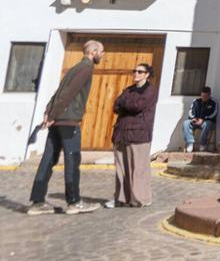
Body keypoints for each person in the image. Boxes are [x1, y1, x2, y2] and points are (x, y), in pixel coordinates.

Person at [27, 40, 105, 215]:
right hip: (68, 122)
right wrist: (52, 114)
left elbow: (59, 91)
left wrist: (49, 113)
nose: (103, 55)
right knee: (72, 160)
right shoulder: (85, 68)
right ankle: (74, 201)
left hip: (57, 120)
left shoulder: (74, 68)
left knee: (48, 159)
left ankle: (37, 202)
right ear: (93, 52)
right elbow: (68, 93)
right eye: (101, 52)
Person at [108, 62, 157, 208]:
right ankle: (121, 198)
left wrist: (124, 103)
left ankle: (140, 198)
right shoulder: (129, 90)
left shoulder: (150, 91)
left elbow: (137, 106)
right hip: (122, 132)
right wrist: (125, 103)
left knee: (138, 168)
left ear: (147, 75)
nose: (136, 73)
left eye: (140, 71)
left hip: (139, 134)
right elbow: (116, 106)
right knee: (121, 168)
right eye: (134, 71)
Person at [183, 86, 219, 152]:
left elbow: (214, 113)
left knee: (207, 124)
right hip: (195, 120)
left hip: (206, 121)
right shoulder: (196, 101)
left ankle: (203, 144)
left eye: (205, 96)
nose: (203, 98)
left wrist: (203, 119)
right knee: (186, 123)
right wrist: (194, 118)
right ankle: (190, 143)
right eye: (202, 96)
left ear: (209, 95)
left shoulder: (213, 103)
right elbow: (191, 111)